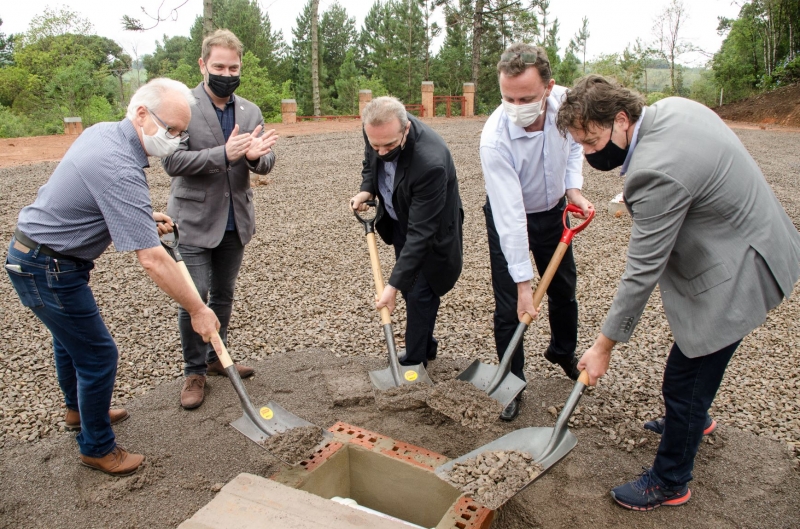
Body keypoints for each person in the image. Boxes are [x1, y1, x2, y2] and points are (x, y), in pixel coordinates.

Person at [557, 75, 800, 511]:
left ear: (621, 120)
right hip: (757, 235)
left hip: (741, 269)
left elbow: (641, 271)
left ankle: (670, 480)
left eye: (593, 142)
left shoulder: (653, 173)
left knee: (684, 380)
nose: (592, 154)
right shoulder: (673, 108)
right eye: (582, 146)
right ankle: (695, 422)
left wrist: (603, 346)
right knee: (694, 374)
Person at [4, 78, 220, 476]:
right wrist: (197, 308)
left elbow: (92, 194)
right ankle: (97, 447)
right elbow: (153, 260)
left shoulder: (103, 133)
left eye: (180, 132)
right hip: (46, 266)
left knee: (70, 343)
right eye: (170, 129)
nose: (174, 139)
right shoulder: (120, 165)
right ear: (141, 114)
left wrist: (140, 217)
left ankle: (78, 411)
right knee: (98, 354)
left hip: (38, 254)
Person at [163, 29, 278, 410]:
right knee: (195, 296)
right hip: (193, 219)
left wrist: (253, 158)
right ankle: (193, 370)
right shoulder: (183, 106)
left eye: (233, 67)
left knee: (224, 294)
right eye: (219, 66)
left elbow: (265, 160)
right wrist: (224, 154)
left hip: (235, 219)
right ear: (202, 64)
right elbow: (171, 162)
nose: (227, 73)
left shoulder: (249, 110)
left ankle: (216, 356)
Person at [480, 43, 594, 421]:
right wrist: (524, 286)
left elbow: (577, 146)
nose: (516, 106)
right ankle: (511, 380)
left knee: (564, 289)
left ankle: (562, 350)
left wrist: (572, 187)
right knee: (511, 303)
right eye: (507, 97)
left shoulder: (568, 105)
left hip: (554, 211)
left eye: (525, 97)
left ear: (549, 87)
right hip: (508, 216)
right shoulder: (495, 138)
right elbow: (510, 216)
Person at [350, 96, 463, 367]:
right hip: (399, 216)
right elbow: (371, 161)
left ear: (406, 129)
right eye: (375, 144)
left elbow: (421, 234)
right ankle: (426, 345)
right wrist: (367, 188)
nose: (382, 151)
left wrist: (392, 286)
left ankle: (414, 361)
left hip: (431, 230)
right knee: (412, 285)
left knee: (420, 290)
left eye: (389, 145)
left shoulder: (429, 162)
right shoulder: (377, 130)